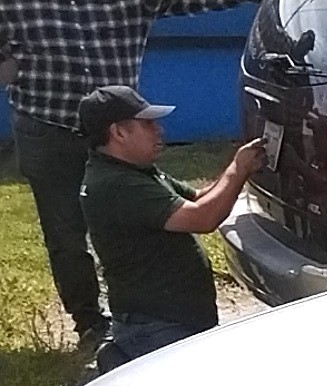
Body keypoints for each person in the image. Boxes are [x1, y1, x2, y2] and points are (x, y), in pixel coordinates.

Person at [0, 1, 253, 355]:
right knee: (65, 234)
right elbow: (201, 217)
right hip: (47, 124)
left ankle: (138, 318)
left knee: (141, 213)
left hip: (120, 133)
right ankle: (92, 324)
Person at [78, 86, 264, 366]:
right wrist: (238, 169)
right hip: (156, 326)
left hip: (168, 320)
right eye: (148, 124)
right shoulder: (116, 183)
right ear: (119, 133)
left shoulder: (132, 170)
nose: (159, 130)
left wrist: (239, 172)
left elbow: (198, 198)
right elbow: (202, 218)